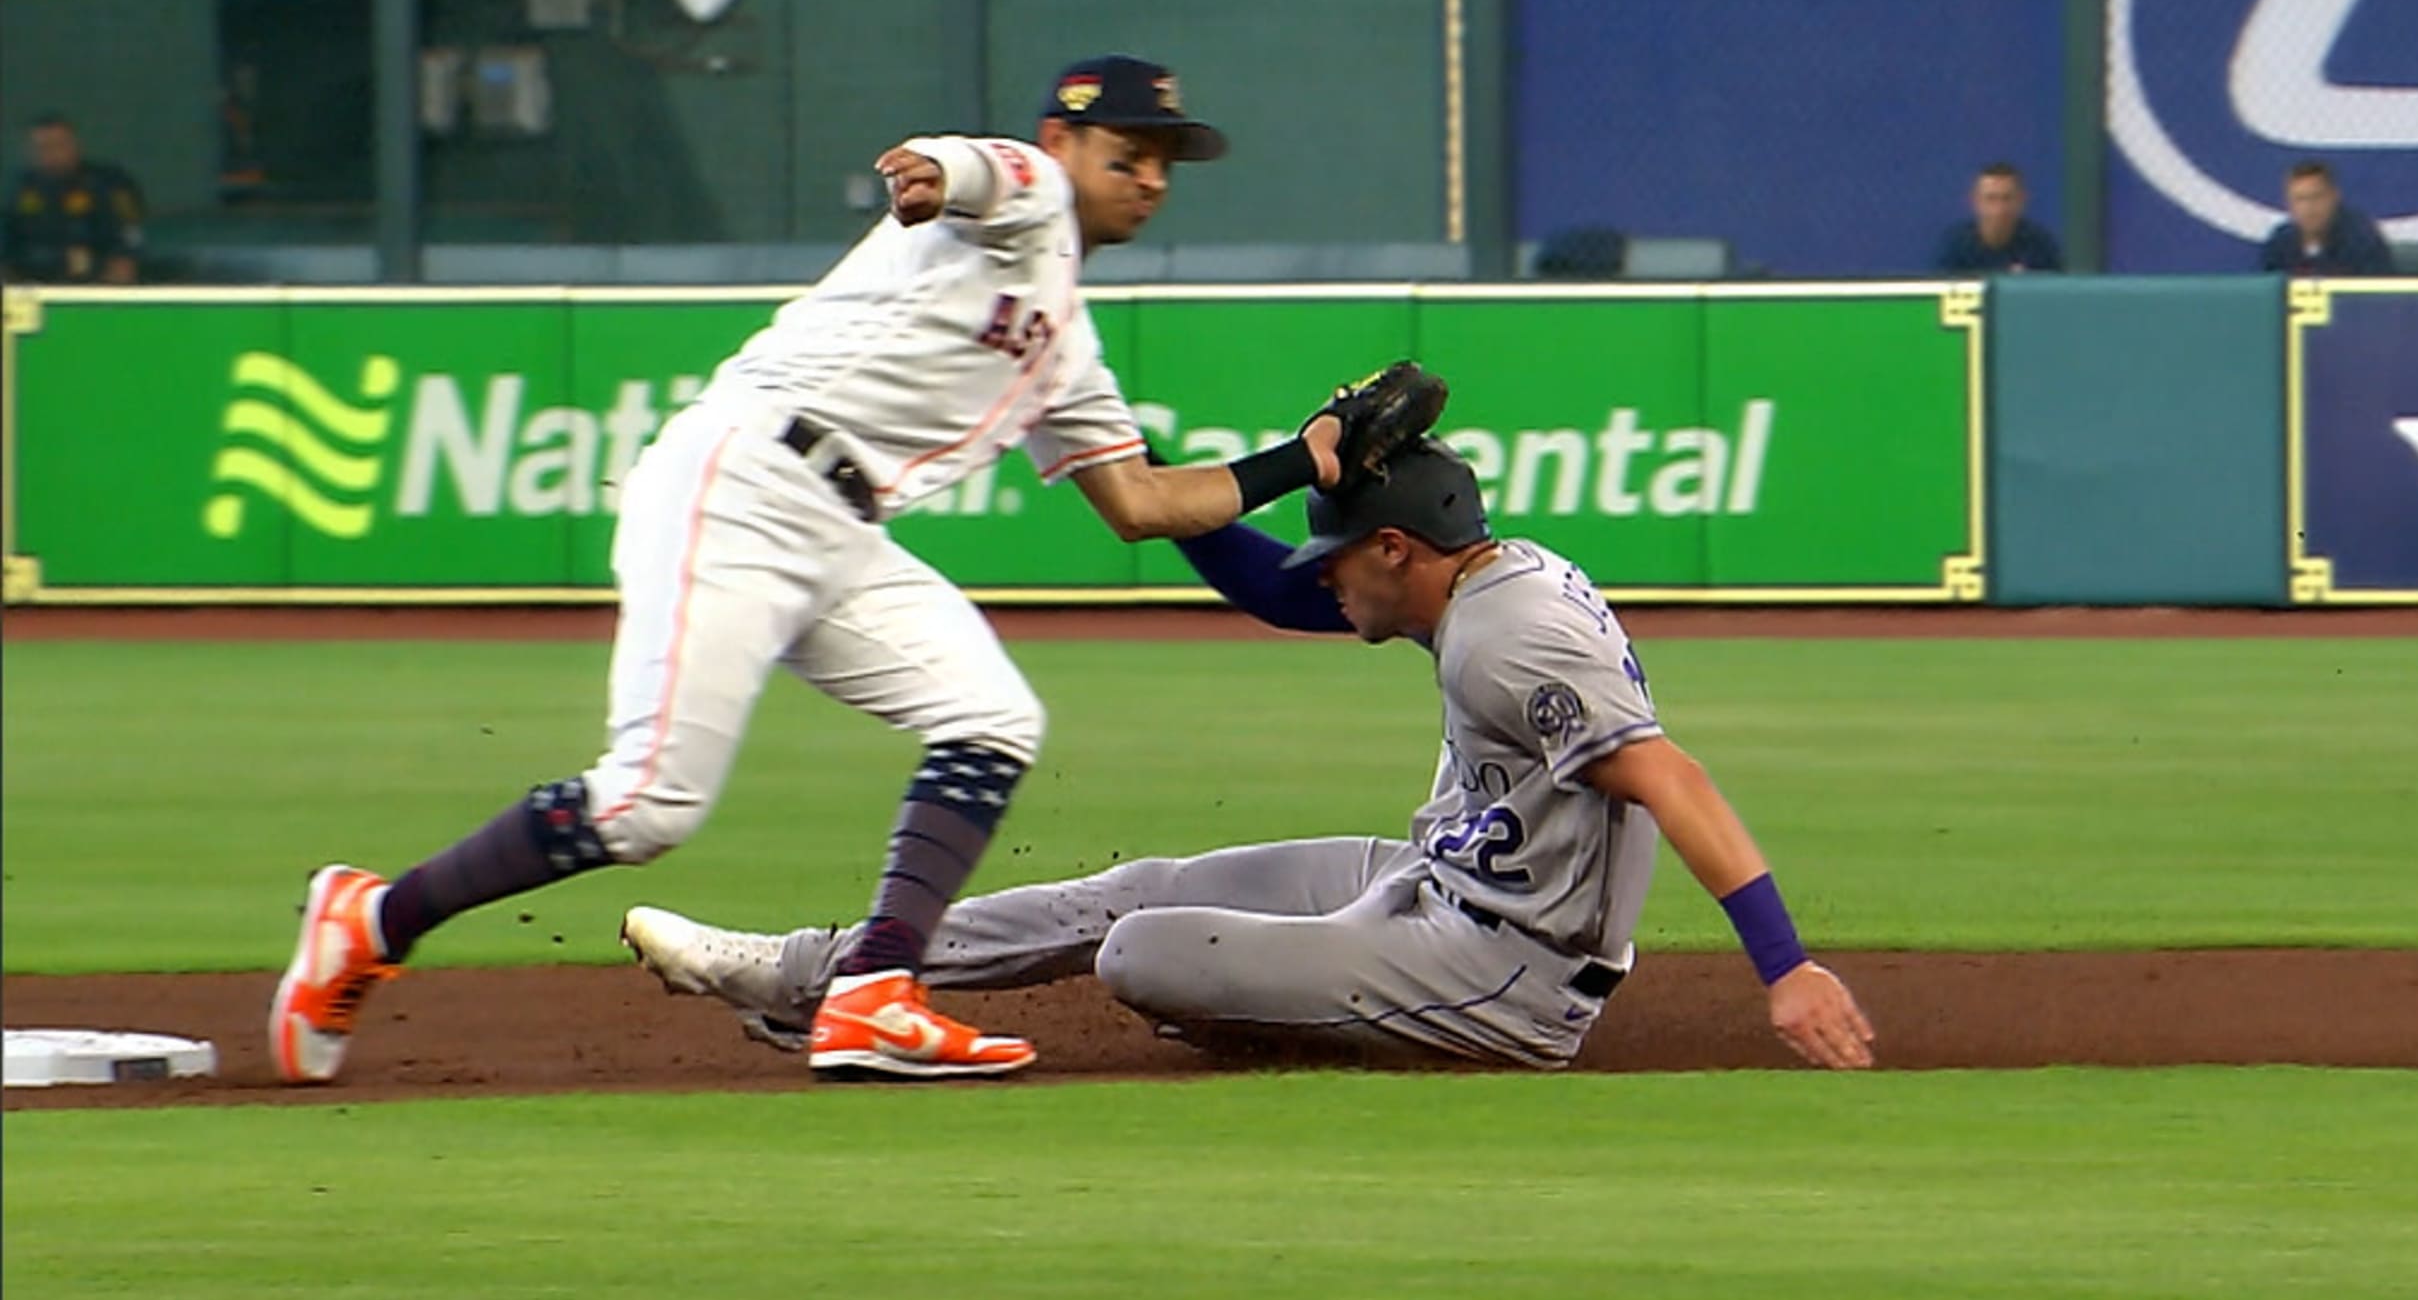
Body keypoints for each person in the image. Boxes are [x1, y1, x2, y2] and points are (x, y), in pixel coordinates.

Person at [269, 54, 1427, 1086]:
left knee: (989, 717)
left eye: (1169, 161)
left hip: (835, 530)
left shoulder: (1065, 339)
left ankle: (875, 990)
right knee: (649, 803)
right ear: (1065, 144)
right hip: (743, 483)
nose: (1154, 177)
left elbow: (1143, 506)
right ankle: (373, 918)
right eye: (1131, 152)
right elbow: (971, 169)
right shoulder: (1025, 197)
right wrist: (929, 171)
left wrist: (1301, 459)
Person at [620, 437, 1878, 1074]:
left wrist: (1789, 966)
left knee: (1143, 955)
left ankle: (1314, 1018)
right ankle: (810, 979)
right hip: (1436, 888)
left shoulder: (1509, 636)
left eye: (1337, 555)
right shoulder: (1467, 581)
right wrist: (1159, 484)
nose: (1321, 578)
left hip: (1512, 970)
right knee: (1138, 887)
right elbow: (1281, 596)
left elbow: (1669, 778)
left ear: (1394, 549)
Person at [6, 114, 145, 284]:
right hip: (32, 278)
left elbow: (128, 232)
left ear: (74, 146)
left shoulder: (106, 183)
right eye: (43, 147)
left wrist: (125, 259)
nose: (52, 154)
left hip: (95, 277)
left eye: (59, 145)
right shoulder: (17, 189)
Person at [2256, 161, 2391, 277]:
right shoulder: (2280, 242)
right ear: (2288, 204)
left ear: (2334, 197)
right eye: (2300, 199)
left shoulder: (2361, 238)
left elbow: (2377, 298)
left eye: (2317, 197)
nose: (2309, 207)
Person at [1933, 162, 2063, 275]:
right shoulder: (1954, 246)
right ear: (1975, 201)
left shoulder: (2041, 245)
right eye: (1991, 199)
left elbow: (2057, 295)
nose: (1999, 210)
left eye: (2007, 198)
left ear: (2022, 201)